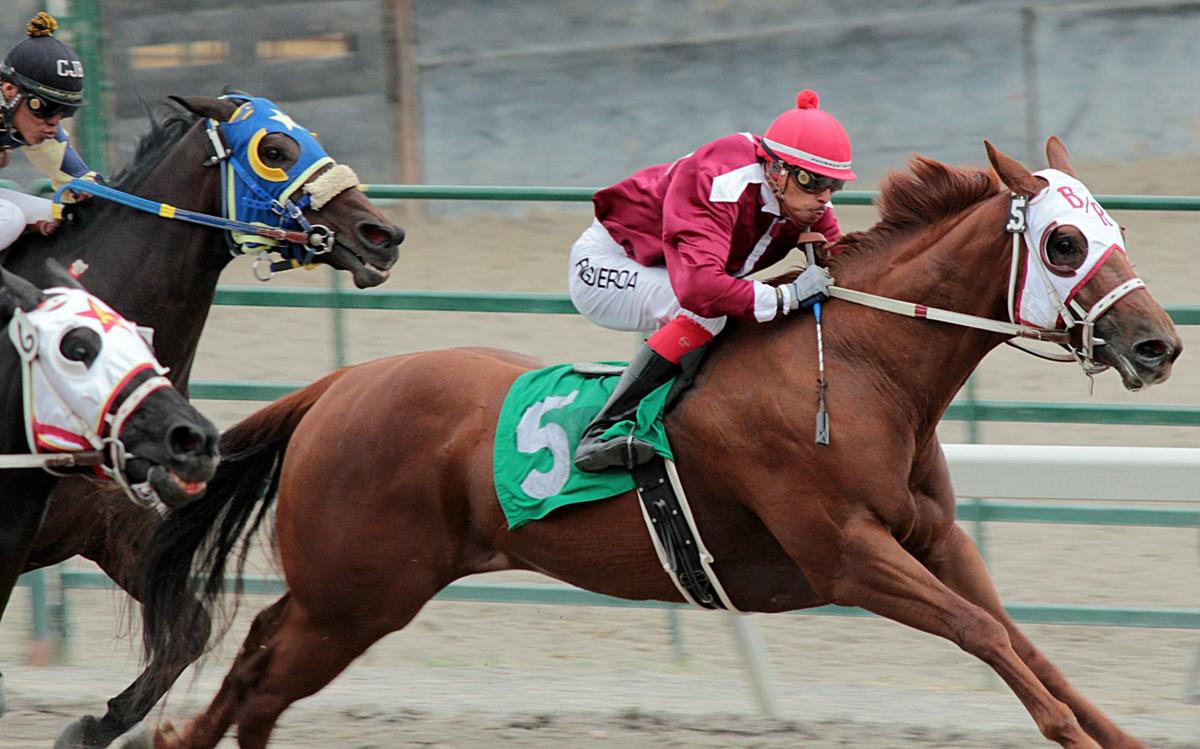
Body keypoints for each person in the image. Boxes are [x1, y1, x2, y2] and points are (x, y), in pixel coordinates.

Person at [567, 89, 855, 472]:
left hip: (676, 271)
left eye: (834, 185)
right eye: (813, 182)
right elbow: (700, 290)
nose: (824, 198)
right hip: (609, 264)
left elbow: (838, 258)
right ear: (776, 170)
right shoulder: (718, 179)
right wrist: (786, 296)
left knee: (733, 312)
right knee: (708, 312)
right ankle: (603, 431)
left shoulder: (803, 196)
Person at [0, 12, 102, 251]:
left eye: (64, 111)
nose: (53, 124)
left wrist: (90, 190)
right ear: (10, 90)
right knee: (10, 219)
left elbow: (79, 181)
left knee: (59, 215)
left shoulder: (34, 122)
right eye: (45, 108)